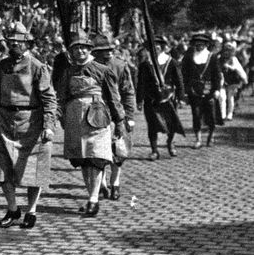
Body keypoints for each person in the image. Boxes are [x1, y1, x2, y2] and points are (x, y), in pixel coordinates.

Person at [0, 23, 57, 230]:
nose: (14, 43)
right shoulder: (0, 67)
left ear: (27, 43)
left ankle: (32, 210)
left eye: (19, 40)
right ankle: (12, 208)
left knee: (33, 169)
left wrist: (48, 125)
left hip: (31, 121)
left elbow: (49, 98)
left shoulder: (37, 66)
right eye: (11, 40)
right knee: (2, 168)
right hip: (5, 120)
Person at [56, 30, 124, 217]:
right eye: (76, 48)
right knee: (83, 159)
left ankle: (93, 199)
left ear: (89, 50)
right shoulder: (68, 72)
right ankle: (91, 196)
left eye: (83, 48)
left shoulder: (102, 71)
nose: (80, 52)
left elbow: (113, 98)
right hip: (74, 119)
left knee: (96, 157)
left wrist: (119, 121)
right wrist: (60, 117)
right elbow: (61, 96)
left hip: (97, 116)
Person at [91, 32, 136, 201]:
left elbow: (128, 91)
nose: (108, 52)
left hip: (117, 114)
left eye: (110, 49)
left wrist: (129, 116)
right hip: (96, 115)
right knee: (99, 153)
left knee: (119, 151)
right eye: (103, 50)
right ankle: (101, 184)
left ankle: (115, 182)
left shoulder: (119, 65)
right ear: (95, 52)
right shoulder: (89, 67)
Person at [135, 36, 184, 159]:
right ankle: (154, 150)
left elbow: (179, 80)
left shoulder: (171, 62)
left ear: (161, 47)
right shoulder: (145, 64)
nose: (155, 48)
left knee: (171, 122)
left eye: (157, 46)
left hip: (168, 98)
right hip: (151, 99)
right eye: (152, 46)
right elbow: (141, 83)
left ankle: (170, 143)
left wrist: (180, 96)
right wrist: (139, 100)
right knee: (152, 125)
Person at [181, 32, 223, 148]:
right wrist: (185, 90)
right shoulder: (189, 57)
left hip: (209, 90)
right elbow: (184, 74)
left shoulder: (212, 57)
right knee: (196, 114)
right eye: (197, 44)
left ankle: (211, 136)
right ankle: (198, 139)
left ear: (206, 45)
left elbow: (217, 75)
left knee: (211, 115)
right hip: (194, 91)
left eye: (201, 44)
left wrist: (217, 89)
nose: (199, 46)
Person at [219, 40, 247, 121]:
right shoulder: (219, 58)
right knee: (222, 97)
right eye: (225, 50)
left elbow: (239, 69)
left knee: (230, 97)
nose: (226, 52)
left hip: (233, 80)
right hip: (222, 80)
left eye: (228, 50)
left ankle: (229, 114)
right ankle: (222, 115)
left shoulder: (233, 59)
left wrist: (244, 78)